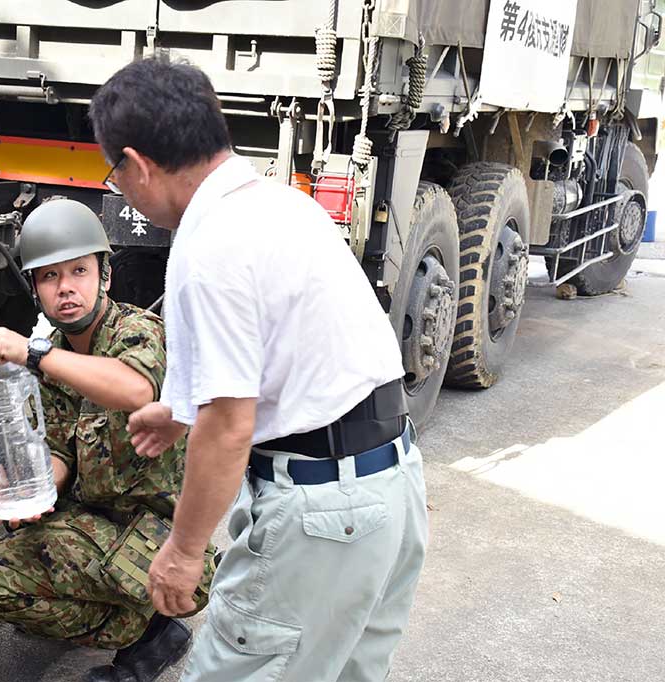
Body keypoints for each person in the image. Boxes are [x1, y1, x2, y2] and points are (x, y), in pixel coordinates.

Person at [88, 56, 429, 682]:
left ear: (137, 164)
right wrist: (182, 410)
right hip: (389, 490)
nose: (121, 188)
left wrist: (184, 550)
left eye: (115, 174)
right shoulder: (282, 205)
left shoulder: (210, 248)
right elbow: (288, 355)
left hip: (322, 517)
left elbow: (229, 426)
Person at [0, 198, 214, 682]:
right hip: (101, 525)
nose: (65, 287)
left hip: (165, 541)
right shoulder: (56, 357)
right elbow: (61, 449)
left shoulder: (137, 331)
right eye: (49, 277)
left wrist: (31, 352)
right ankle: (128, 615)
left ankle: (150, 635)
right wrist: (31, 493)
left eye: (79, 271)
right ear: (36, 290)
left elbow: (135, 388)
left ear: (105, 277)